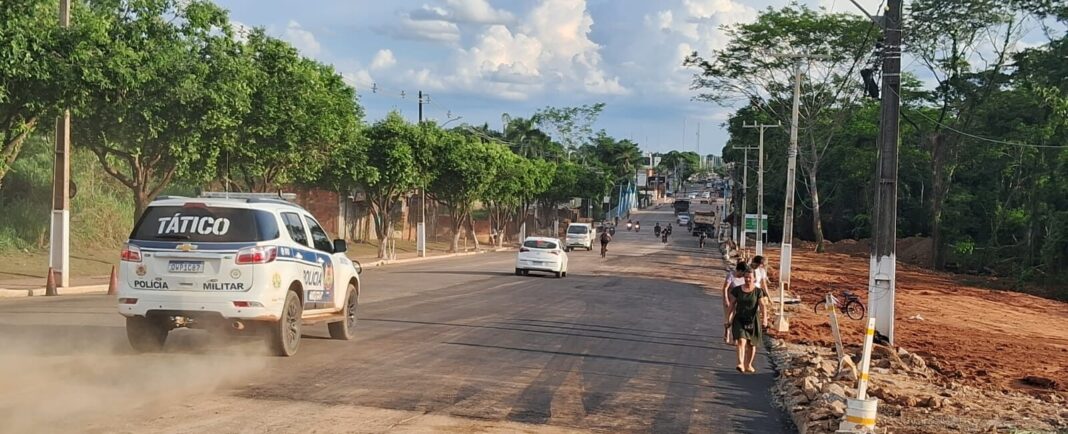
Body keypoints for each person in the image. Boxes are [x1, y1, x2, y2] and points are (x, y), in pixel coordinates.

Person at [727, 265, 769, 373]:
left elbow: (763, 306)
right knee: (741, 340)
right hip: (740, 319)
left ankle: (748, 364)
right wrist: (728, 319)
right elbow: (732, 305)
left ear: (754, 278)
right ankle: (740, 363)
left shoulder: (758, 292)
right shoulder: (737, 290)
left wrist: (765, 319)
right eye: (746, 277)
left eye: (750, 277)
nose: (748, 279)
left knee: (751, 344)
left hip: (752, 320)